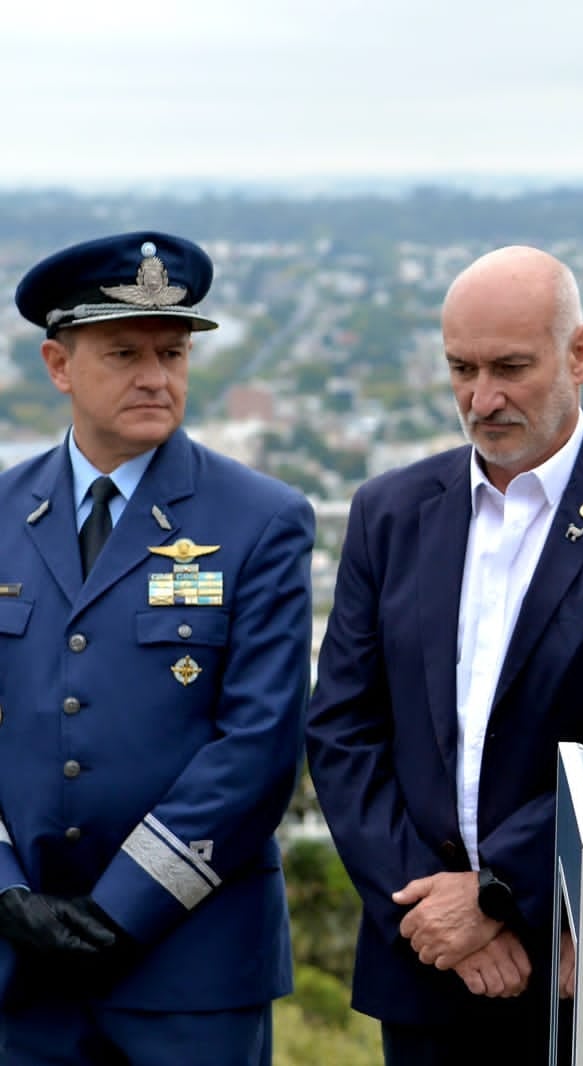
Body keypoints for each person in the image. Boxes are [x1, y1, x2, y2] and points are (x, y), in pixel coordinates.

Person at [305, 245, 583, 1063]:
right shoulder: (389, 511)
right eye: (460, 368)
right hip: (422, 959)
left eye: (510, 367)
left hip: (571, 956)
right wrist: (436, 918)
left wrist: (500, 895)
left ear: (580, 353)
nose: (483, 397)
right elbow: (341, 731)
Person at [0, 232, 315, 1065]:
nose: (156, 377)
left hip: (193, 969)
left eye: (172, 353)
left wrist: (123, 910)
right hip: (18, 968)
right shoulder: (0, 513)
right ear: (59, 366)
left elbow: (257, 748)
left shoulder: (259, 519)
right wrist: (5, 896)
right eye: (125, 353)